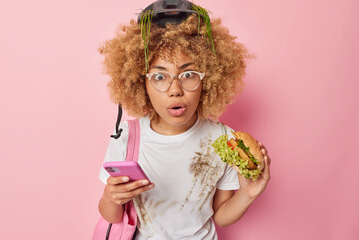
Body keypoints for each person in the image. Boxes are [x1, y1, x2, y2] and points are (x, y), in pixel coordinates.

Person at [98, 0, 271, 239]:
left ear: (209, 79)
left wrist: (247, 195)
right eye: (159, 76)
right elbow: (112, 216)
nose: (175, 90)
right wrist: (111, 197)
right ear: (141, 83)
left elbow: (220, 215)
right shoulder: (126, 137)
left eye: (188, 75)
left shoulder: (223, 140)